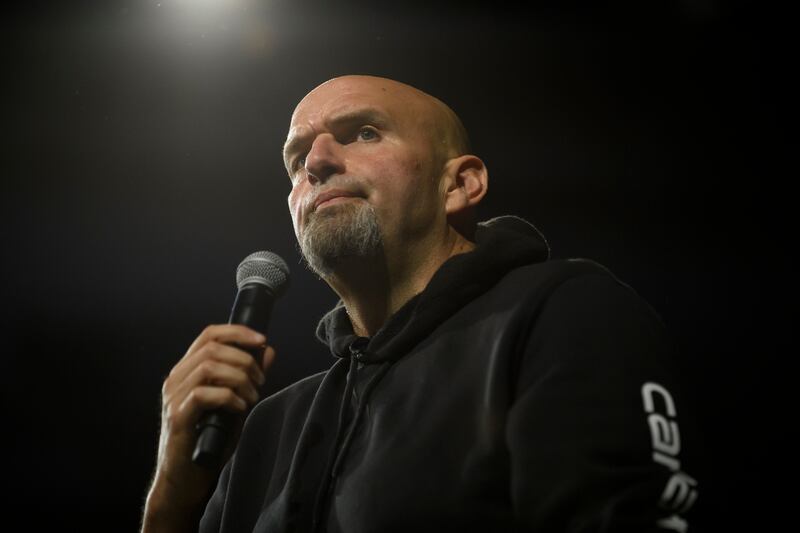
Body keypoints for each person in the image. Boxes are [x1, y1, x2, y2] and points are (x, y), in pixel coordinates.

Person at [140, 75, 700, 533]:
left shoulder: (561, 313)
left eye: (361, 132)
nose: (316, 163)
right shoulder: (269, 427)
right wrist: (171, 498)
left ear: (460, 185)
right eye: (295, 161)